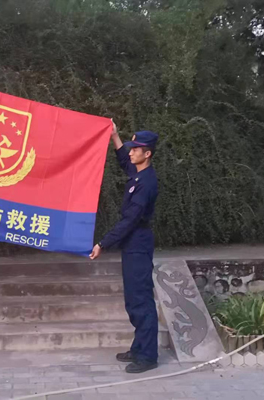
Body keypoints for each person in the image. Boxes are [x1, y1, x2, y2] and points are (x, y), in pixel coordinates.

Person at [90, 124, 159, 374]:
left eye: (135, 150)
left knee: (140, 300)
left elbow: (129, 221)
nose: (130, 153)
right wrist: (114, 136)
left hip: (138, 244)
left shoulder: (145, 184)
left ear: (147, 154)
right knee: (133, 299)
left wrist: (103, 243)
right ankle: (139, 347)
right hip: (133, 244)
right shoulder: (139, 174)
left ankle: (148, 356)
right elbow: (124, 162)